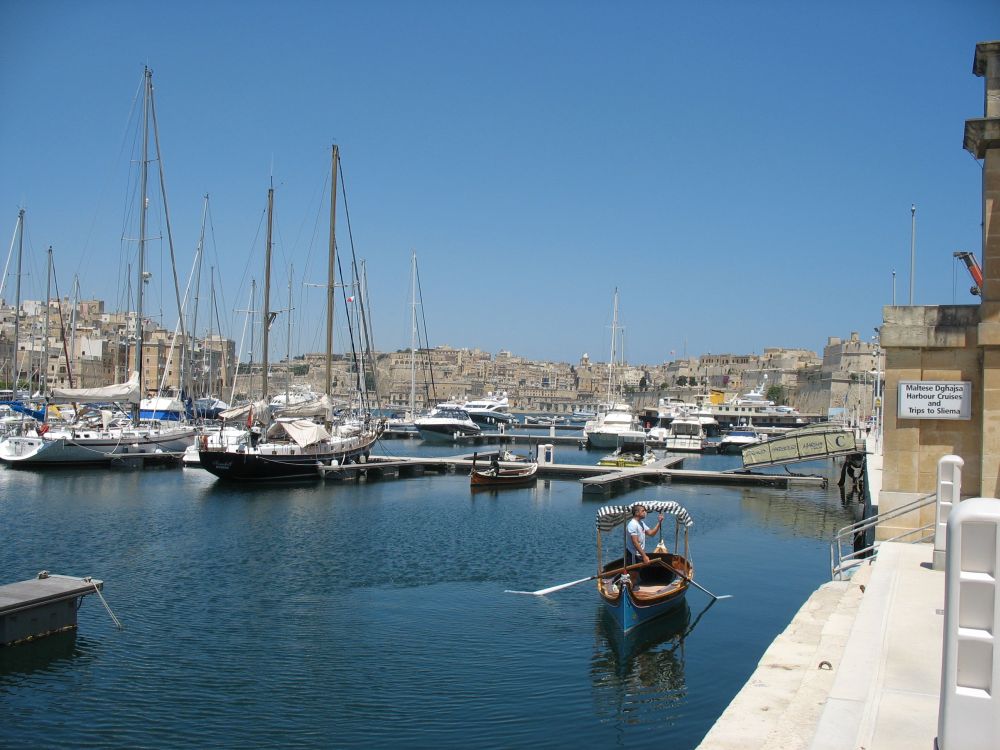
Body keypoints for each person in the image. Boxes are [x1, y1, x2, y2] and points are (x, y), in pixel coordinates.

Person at [625, 504, 664, 583]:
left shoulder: (641, 523)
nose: (645, 512)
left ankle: (633, 588)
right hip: (633, 554)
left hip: (639, 554)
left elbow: (651, 533)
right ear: (636, 513)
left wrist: (659, 522)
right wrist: (644, 556)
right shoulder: (632, 525)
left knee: (635, 575)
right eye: (643, 511)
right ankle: (630, 591)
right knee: (633, 576)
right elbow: (635, 542)